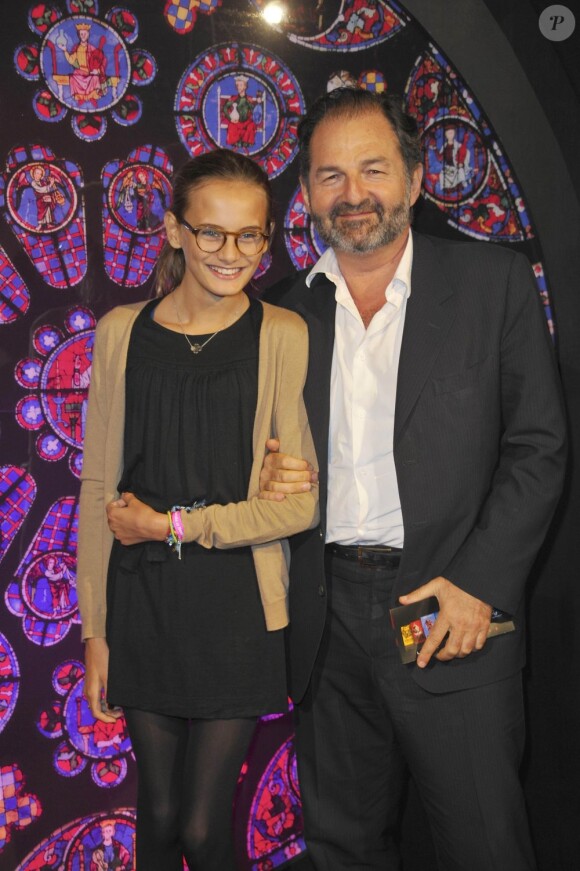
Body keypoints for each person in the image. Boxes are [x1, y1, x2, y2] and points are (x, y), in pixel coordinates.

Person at [260, 88, 567, 870]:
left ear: (417, 177)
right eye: (330, 176)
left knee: (484, 844)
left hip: (449, 608)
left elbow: (538, 447)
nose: (353, 194)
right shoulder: (282, 314)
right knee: (342, 847)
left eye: (373, 169)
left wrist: (479, 585)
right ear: (305, 192)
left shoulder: (491, 283)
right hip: (323, 620)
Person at [77, 149, 318, 871]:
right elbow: (97, 489)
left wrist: (172, 524)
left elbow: (300, 505)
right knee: (157, 813)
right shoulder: (121, 331)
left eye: (251, 236)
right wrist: (95, 631)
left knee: (207, 829)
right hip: (141, 600)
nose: (231, 252)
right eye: (211, 232)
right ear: (176, 232)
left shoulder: (281, 334)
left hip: (237, 608)